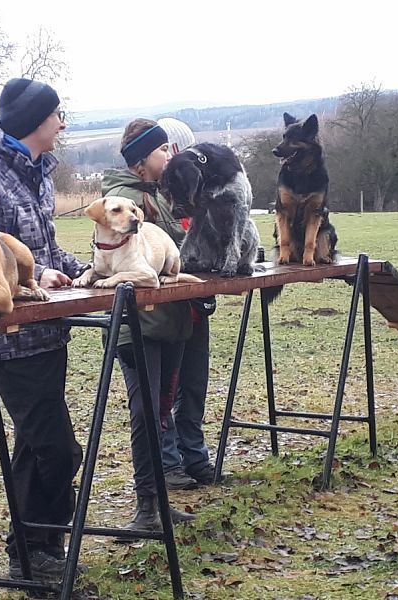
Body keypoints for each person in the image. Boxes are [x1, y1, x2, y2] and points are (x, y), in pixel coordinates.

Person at [0, 78, 84, 579]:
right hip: (10, 337)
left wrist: (91, 270)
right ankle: (38, 540)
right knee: (59, 450)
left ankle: (34, 552)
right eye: (58, 114)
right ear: (37, 120)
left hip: (48, 331)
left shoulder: (36, 172)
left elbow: (48, 249)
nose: (62, 123)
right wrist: (31, 276)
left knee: (34, 447)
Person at [101, 118, 196, 533]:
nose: (168, 157)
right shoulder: (123, 201)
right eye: (162, 151)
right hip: (137, 326)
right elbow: (119, 263)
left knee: (159, 412)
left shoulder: (155, 195)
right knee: (145, 413)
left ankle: (158, 501)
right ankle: (145, 507)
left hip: (166, 320)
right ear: (142, 160)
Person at [156, 118, 217, 487]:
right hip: (166, 309)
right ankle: (169, 461)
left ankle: (194, 456)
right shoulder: (155, 200)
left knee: (194, 384)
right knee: (167, 389)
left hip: (194, 304)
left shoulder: (197, 196)